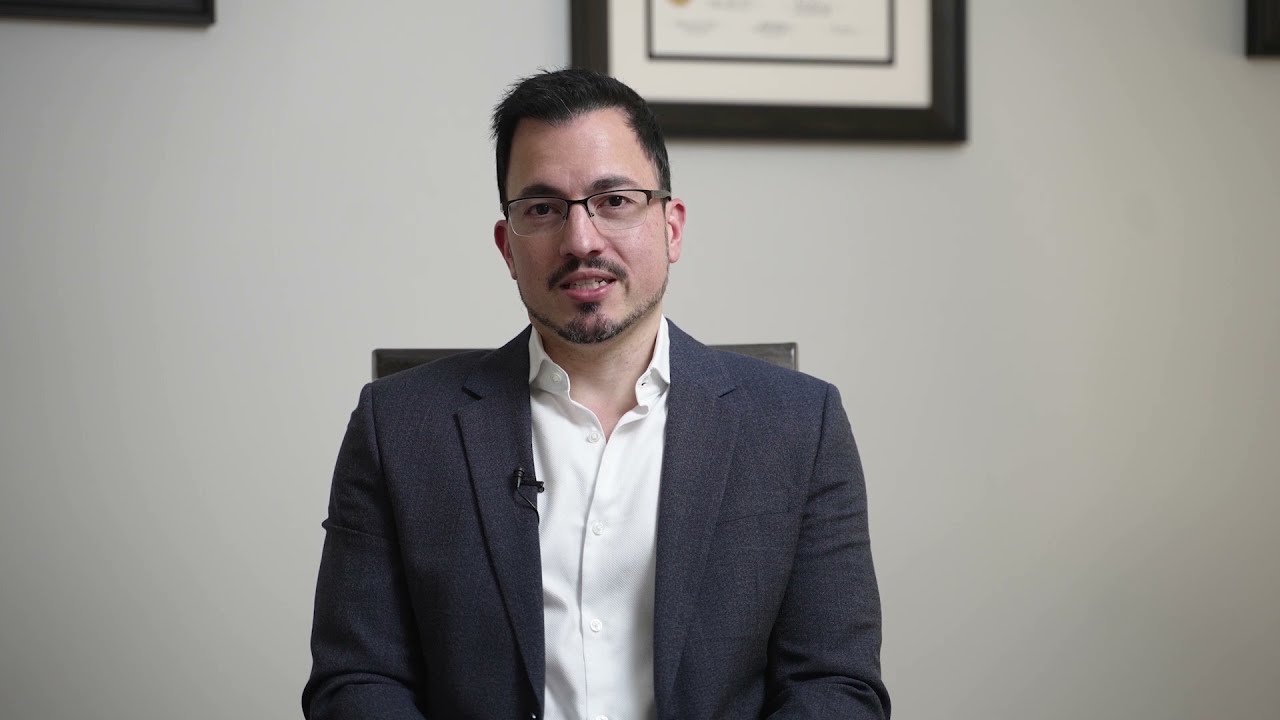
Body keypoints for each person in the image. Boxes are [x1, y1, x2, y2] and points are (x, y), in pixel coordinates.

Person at [303, 68, 890, 720]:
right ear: (507, 246)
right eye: (542, 209)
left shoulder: (799, 427)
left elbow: (834, 686)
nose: (581, 240)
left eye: (614, 200)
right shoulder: (397, 428)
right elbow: (356, 682)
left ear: (671, 227)